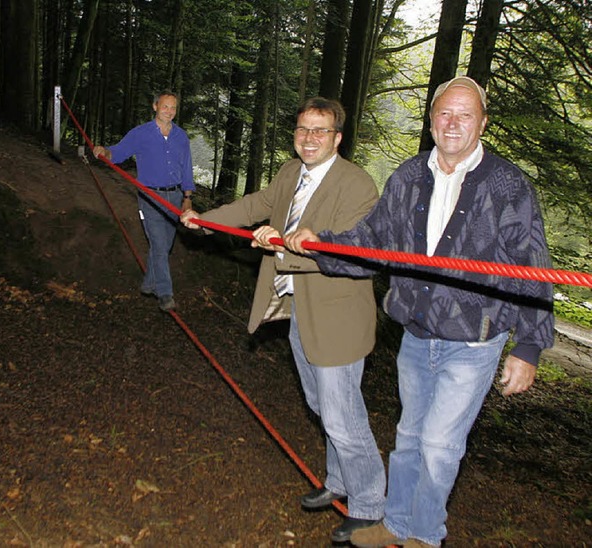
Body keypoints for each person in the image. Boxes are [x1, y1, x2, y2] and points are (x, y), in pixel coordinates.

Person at [284, 77, 554, 548]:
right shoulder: (408, 177)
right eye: (444, 113)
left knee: (439, 445)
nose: (453, 123)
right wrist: (320, 245)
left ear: (482, 123)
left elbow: (533, 266)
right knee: (408, 438)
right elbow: (371, 240)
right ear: (431, 122)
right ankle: (395, 524)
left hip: (473, 340)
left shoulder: (507, 185)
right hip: (417, 335)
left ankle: (425, 536)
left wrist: (527, 346)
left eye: (464, 114)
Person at [181, 97, 386, 543]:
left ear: (337, 138)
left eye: (319, 131)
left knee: (342, 416)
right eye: (302, 129)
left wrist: (283, 245)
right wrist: (205, 221)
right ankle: (340, 482)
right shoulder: (291, 172)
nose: (309, 138)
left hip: (338, 318)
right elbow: (257, 203)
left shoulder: (358, 186)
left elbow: (350, 254)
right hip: (301, 311)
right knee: (321, 407)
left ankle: (370, 506)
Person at [93, 91, 195, 311]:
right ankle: (165, 294)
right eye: (165, 106)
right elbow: (118, 152)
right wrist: (105, 152)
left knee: (165, 246)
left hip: (175, 197)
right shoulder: (140, 134)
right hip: (149, 197)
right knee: (158, 244)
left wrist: (187, 198)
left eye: (173, 108)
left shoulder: (181, 136)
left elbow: (187, 168)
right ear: (155, 106)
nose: (169, 111)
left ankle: (149, 283)